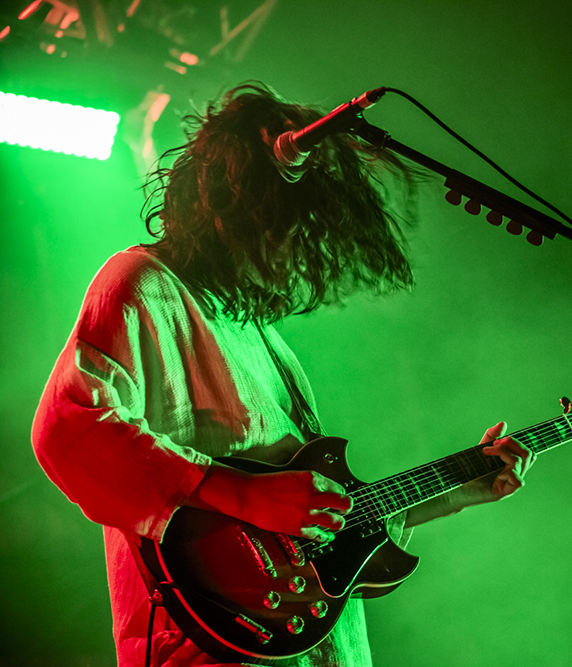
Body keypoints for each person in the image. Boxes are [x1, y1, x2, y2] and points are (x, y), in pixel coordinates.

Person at [31, 83, 534, 667]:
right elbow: (67, 429)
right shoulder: (143, 283)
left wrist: (462, 488)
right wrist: (243, 492)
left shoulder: (259, 331)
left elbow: (311, 523)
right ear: (227, 204)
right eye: (282, 222)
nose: (295, 244)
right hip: (208, 647)